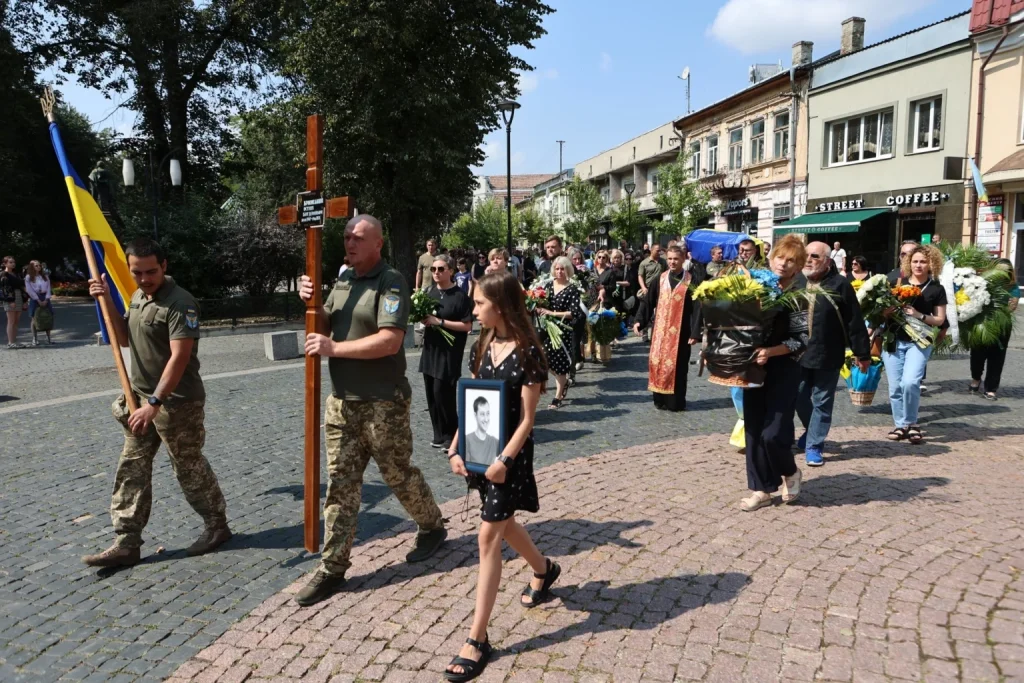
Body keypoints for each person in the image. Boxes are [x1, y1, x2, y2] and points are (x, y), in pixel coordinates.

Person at [295, 214, 447, 606]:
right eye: (347, 236)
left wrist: (334, 349)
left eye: (358, 237)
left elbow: (390, 341)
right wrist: (311, 302)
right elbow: (323, 326)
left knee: (397, 473)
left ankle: (431, 525)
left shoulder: (391, 281)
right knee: (340, 483)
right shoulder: (344, 279)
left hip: (383, 402)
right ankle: (332, 567)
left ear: (378, 243)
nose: (349, 242)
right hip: (341, 402)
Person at [82, 238, 231, 567]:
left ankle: (217, 526)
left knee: (188, 467)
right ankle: (127, 541)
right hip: (139, 401)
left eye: (151, 271)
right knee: (131, 467)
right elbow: (123, 338)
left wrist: (155, 402)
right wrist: (105, 300)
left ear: (164, 266)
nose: (144, 278)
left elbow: (180, 357)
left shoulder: (181, 303)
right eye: (137, 272)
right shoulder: (137, 297)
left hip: (177, 403)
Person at [445, 270, 557, 681]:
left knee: (488, 536)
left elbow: (527, 420)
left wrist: (505, 462)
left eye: (479, 303)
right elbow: (472, 400)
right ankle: (544, 569)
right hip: (482, 455)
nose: (473, 310)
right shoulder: (483, 346)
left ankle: (477, 639)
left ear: (502, 305)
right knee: (504, 525)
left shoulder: (529, 353)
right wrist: (456, 446)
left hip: (510, 460)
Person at [740, 235, 809, 512]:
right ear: (771, 259)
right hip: (753, 365)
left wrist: (771, 351)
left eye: (791, 260)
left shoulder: (798, 296)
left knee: (774, 432)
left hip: (784, 368)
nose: (783, 263)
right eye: (780, 257)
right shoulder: (754, 287)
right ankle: (761, 489)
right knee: (754, 430)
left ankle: (790, 472)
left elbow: (802, 340)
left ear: (798, 267)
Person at [796, 242, 872, 467]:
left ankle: (814, 445)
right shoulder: (796, 280)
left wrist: (862, 353)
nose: (809, 260)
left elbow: (854, 320)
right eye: (806, 255)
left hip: (828, 352)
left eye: (815, 256)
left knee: (822, 400)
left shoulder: (840, 284)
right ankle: (811, 430)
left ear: (828, 261)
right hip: (796, 353)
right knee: (797, 396)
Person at [881, 245, 946, 445]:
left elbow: (940, 319)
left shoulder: (936, 288)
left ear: (931, 264)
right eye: (915, 261)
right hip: (893, 340)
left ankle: (912, 423)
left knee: (910, 382)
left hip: (919, 342)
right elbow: (879, 313)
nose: (918, 265)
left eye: (923, 262)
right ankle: (900, 425)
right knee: (895, 387)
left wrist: (919, 315)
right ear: (908, 263)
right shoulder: (896, 283)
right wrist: (886, 312)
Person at [634, 244, 700, 411]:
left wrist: (695, 332)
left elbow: (698, 308)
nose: (672, 262)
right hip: (660, 332)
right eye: (669, 259)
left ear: (683, 259)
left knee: (677, 367)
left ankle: (675, 402)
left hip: (681, 332)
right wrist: (639, 321)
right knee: (657, 363)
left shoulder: (691, 280)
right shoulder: (660, 278)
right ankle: (659, 399)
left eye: (676, 259)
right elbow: (648, 301)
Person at [421, 254, 474, 449]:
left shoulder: (460, 296)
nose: (436, 272)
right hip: (431, 349)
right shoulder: (429, 292)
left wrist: (440, 322)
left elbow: (467, 326)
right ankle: (439, 434)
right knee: (431, 394)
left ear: (451, 271)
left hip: (449, 352)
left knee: (443, 393)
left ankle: (453, 435)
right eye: (433, 269)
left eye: (441, 269)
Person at [969, 260, 1018, 400]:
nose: (1002, 274)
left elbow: (1012, 307)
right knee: (977, 354)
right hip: (981, 322)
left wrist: (999, 311)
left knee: (997, 357)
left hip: (1002, 325)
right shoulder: (983, 283)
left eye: (1006, 271)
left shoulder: (1012, 287)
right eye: (999, 270)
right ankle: (976, 378)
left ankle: (991, 388)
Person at [536, 256, 579, 409]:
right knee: (544, 360)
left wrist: (553, 313)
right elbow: (541, 303)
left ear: (568, 270)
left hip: (563, 330)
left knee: (559, 363)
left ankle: (558, 396)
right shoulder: (548, 285)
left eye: (563, 269)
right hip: (547, 329)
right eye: (557, 268)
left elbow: (574, 313)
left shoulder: (572, 289)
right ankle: (564, 381)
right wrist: (537, 307)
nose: (560, 271)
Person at [1, 255, 28, 349]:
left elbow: (22, 286)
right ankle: (10, 342)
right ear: (5, 264)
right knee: (11, 321)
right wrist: (10, 300)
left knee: (16, 321)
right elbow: (4, 289)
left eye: (14, 262)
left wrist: (25, 300)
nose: (13, 264)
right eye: (10, 262)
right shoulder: (3, 274)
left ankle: (15, 341)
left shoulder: (16, 274)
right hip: (10, 298)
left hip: (19, 296)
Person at [25, 260, 54, 345]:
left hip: (45, 296)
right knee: (34, 317)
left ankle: (49, 338)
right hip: (35, 297)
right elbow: (29, 290)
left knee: (48, 316)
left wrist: (46, 299)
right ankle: (35, 338)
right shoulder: (28, 277)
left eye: (39, 265)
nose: (38, 267)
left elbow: (48, 288)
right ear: (32, 267)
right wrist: (37, 299)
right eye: (36, 266)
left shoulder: (45, 276)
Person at [465, 397, 500, 461]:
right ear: (475, 415)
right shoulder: (467, 440)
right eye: (482, 414)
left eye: (487, 413)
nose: (486, 419)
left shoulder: (495, 442)